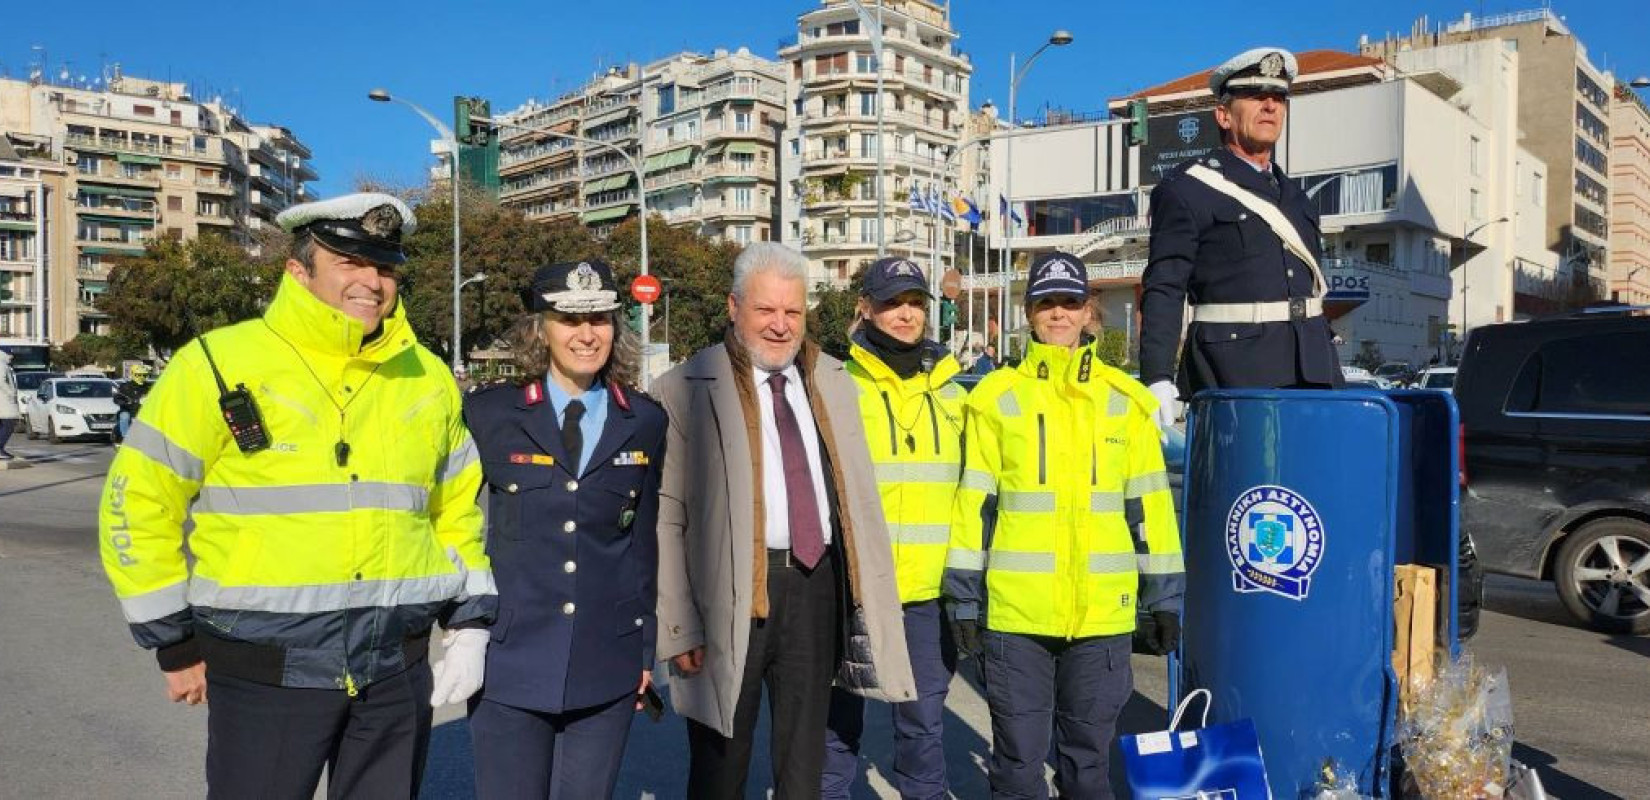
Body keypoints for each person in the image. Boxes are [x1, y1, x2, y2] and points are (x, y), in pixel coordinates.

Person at [97, 193, 495, 799]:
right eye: (349, 261)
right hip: (264, 677)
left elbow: (456, 509)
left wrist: (468, 624)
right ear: (298, 269)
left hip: (395, 671)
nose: (372, 281)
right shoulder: (216, 363)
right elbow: (138, 502)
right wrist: (172, 643)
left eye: (385, 266)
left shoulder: (429, 376)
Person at [654, 241, 916, 799]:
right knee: (721, 761)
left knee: (804, 761)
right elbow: (665, 519)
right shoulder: (682, 388)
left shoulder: (834, 381)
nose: (780, 326)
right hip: (727, 594)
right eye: (765, 310)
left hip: (814, 585)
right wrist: (677, 625)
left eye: (792, 312)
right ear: (733, 306)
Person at [946, 251, 1184, 800]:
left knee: (1088, 767)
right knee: (1016, 768)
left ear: (1087, 312)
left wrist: (1166, 598)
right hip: (1016, 620)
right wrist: (962, 600)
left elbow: (1149, 510)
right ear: (1029, 312)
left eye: (1070, 302)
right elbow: (972, 509)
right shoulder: (994, 400)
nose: (1058, 314)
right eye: (1046, 302)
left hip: (1101, 621)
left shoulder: (1125, 403)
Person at [459, 260, 668, 799]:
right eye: (569, 319)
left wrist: (643, 652)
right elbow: (453, 523)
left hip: (607, 659)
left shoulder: (644, 419)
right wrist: (460, 627)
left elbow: (642, 544)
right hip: (510, 657)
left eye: (599, 319)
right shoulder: (490, 414)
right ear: (541, 329)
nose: (586, 334)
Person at [1139, 47, 1342, 432]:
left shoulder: (1297, 199)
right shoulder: (1187, 188)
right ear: (1223, 115)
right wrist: (1156, 375)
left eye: (1278, 98)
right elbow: (1165, 286)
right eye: (1256, 96)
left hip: (1315, 371)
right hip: (1235, 371)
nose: (1270, 106)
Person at [821, 257, 965, 800]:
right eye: (891, 303)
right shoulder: (834, 384)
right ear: (866, 308)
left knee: (923, 726)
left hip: (927, 594)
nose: (905, 314)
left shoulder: (954, 392)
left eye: (914, 303)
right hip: (852, 586)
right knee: (837, 724)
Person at [113, 363, 154, 443]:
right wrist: (124, 402)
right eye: (139, 375)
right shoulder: (125, 386)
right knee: (125, 416)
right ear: (133, 374)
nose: (142, 377)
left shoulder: (149, 387)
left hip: (145, 411)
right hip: (129, 410)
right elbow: (117, 397)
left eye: (144, 375)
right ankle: (126, 439)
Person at [0, 350, 18, 460]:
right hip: (4, 400)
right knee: (9, 425)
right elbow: (1, 382)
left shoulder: (3, 364)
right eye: (11, 355)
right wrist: (10, 393)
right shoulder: (1, 365)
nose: (12, 357)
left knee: (3, 425)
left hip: (3, 400)